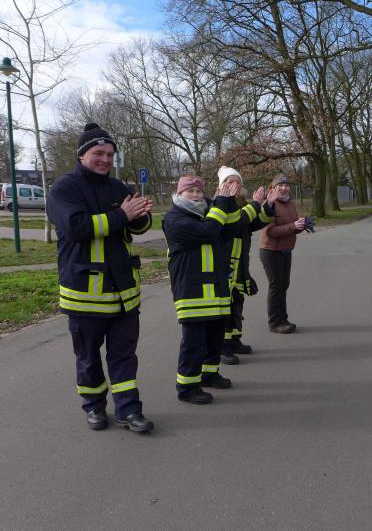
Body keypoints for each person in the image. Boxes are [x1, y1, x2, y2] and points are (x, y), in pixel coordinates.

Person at [47, 123, 155, 432]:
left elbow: (139, 227)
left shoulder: (118, 187)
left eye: (110, 154)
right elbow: (76, 228)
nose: (106, 159)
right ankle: (94, 406)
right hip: (84, 295)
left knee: (124, 356)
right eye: (99, 153)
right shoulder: (64, 188)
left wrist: (140, 216)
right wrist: (122, 215)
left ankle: (129, 410)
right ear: (82, 154)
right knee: (88, 357)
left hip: (123, 294)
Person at [163, 175, 241, 404]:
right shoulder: (174, 218)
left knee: (215, 337)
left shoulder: (210, 212)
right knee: (194, 342)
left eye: (199, 191)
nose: (197, 195)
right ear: (179, 194)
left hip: (215, 287)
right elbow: (209, 231)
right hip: (192, 289)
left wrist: (230, 202)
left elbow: (230, 230)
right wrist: (220, 203)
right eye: (191, 191)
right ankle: (187, 387)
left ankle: (209, 374)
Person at [216, 166, 275, 365]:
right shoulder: (219, 204)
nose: (235, 185)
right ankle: (223, 347)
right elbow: (239, 221)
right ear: (222, 185)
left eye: (237, 182)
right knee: (224, 309)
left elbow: (255, 223)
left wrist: (268, 205)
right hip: (224, 267)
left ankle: (235, 340)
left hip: (240, 266)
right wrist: (256, 204)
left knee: (237, 305)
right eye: (230, 181)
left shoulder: (242, 204)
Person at [259, 174, 306, 334]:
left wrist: (301, 225)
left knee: (284, 285)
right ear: (273, 187)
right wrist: (293, 227)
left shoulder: (290, 203)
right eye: (280, 185)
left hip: (286, 249)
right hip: (270, 250)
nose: (284, 188)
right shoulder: (269, 204)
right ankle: (275, 323)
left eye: (286, 185)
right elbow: (270, 231)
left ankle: (283, 319)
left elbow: (293, 226)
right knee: (276, 285)